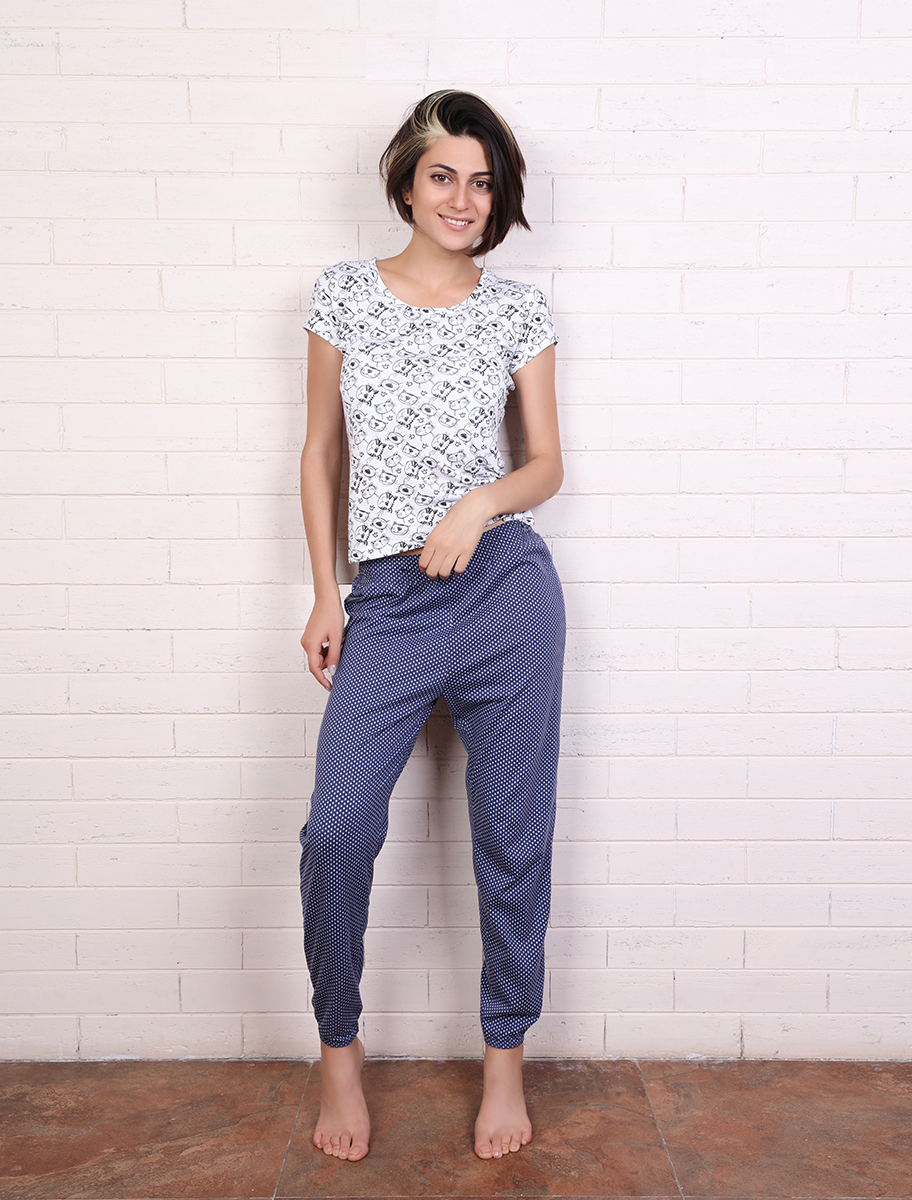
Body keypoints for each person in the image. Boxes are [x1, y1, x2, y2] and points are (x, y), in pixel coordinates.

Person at [297, 89, 566, 1164]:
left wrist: (477, 504)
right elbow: (320, 452)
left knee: (512, 837)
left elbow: (546, 464)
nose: (463, 198)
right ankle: (339, 1049)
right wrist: (328, 592)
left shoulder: (518, 312)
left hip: (505, 589)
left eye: (483, 182)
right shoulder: (341, 295)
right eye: (443, 175)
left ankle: (504, 1058)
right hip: (388, 600)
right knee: (336, 830)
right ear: (405, 183)